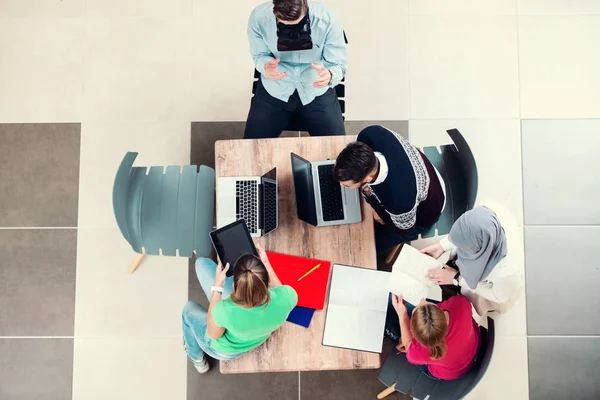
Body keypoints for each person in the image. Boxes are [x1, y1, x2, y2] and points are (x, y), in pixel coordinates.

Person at [182, 245, 297, 373]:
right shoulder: (288, 296)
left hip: (226, 351)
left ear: (233, 285)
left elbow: (214, 334)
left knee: (188, 310)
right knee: (201, 263)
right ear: (266, 281)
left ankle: (198, 360)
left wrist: (217, 288)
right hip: (257, 339)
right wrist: (265, 262)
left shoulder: (224, 310)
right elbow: (280, 290)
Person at [333, 125, 446, 255]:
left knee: (364, 248)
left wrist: (374, 203)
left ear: (368, 179)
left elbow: (404, 230)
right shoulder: (370, 134)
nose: (341, 185)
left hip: (427, 210)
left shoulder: (400, 200)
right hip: (420, 172)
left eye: (346, 185)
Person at [244, 0, 347, 139]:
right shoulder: (259, 18)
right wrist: (265, 65)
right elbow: (259, 55)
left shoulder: (326, 20)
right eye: (283, 25)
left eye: (298, 24)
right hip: (274, 91)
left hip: (315, 90)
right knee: (252, 149)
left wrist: (330, 74)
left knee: (338, 150)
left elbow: (338, 64)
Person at [421, 203, 523, 318]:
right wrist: (442, 246)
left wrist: (457, 278)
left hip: (489, 290)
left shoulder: (508, 272)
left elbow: (497, 296)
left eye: (466, 248)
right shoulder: (487, 213)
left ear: (482, 249)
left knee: (484, 303)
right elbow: (468, 231)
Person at [387, 295, 480, 381]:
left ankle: (392, 333)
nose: (422, 300)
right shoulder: (461, 304)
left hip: (448, 372)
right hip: (473, 348)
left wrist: (402, 315)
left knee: (394, 327)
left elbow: (408, 347)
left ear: (414, 335)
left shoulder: (419, 352)